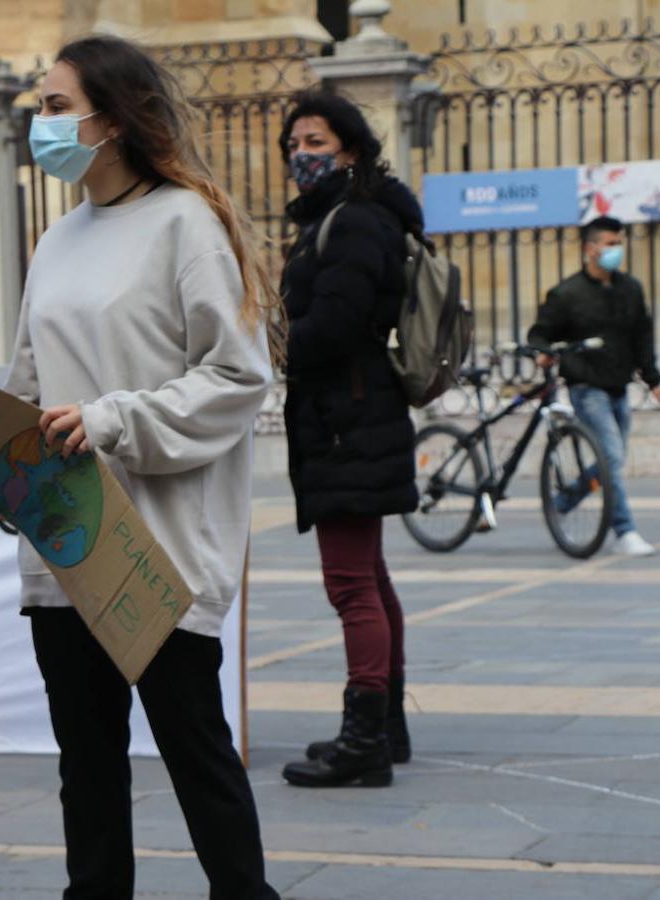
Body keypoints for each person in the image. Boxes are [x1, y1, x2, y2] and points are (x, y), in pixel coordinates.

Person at [0, 36, 283, 900]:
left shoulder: (186, 225)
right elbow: (29, 379)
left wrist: (109, 421)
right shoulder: (58, 240)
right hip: (69, 540)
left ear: (116, 117)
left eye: (56, 106)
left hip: (158, 549)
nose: (40, 123)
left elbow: (239, 378)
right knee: (86, 769)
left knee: (195, 755)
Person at [275, 91, 422, 789]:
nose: (301, 155)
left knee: (349, 585)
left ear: (352, 150)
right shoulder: (345, 217)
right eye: (294, 144)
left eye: (316, 142)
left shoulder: (356, 221)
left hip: (347, 422)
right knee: (372, 577)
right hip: (354, 417)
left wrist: (276, 347)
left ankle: (364, 738)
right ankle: (386, 725)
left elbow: (334, 324)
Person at [527, 216, 660, 557]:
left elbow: (642, 336)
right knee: (612, 455)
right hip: (586, 386)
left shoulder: (630, 289)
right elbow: (540, 333)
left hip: (618, 385)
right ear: (590, 249)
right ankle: (625, 530)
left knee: (611, 460)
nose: (615, 251)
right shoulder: (567, 294)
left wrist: (653, 379)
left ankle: (566, 498)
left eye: (618, 243)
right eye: (609, 244)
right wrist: (543, 354)